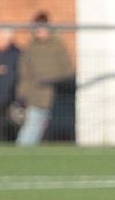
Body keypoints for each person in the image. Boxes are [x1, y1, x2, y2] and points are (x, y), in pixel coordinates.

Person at [15, 11, 73, 146]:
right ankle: (21, 153)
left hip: (57, 97)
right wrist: (22, 95)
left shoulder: (57, 45)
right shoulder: (30, 48)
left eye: (42, 28)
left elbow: (68, 69)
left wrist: (54, 81)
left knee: (55, 130)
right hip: (36, 96)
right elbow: (24, 74)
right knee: (32, 126)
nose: (39, 32)